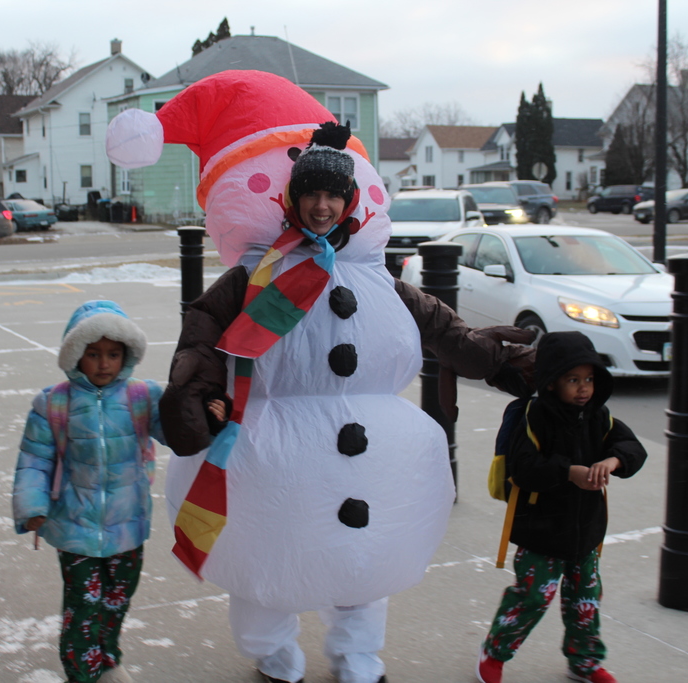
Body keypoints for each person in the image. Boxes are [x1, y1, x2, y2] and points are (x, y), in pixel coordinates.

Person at [106, 70, 535, 683]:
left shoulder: (377, 277)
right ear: (293, 199)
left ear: (351, 200)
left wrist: (498, 361)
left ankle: (358, 656)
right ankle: (273, 654)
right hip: (272, 454)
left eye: (334, 195)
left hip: (374, 460)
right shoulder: (257, 274)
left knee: (364, 566)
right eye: (311, 195)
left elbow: (444, 331)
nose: (323, 206)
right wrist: (192, 395)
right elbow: (203, 334)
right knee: (268, 563)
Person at [11, 300, 225, 683]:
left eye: (113, 354)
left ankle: (107, 659)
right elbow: (35, 459)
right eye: (93, 354)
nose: (104, 364)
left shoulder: (142, 397)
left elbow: (176, 431)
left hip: (127, 524)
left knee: (116, 599)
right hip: (74, 527)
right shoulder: (54, 402)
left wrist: (209, 418)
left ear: (127, 355)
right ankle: (82, 672)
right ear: (76, 354)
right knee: (83, 605)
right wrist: (32, 506)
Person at [476, 331, 647, 683]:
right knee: (532, 596)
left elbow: (632, 447)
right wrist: (569, 472)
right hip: (541, 529)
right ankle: (494, 652)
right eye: (573, 380)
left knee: (586, 600)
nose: (584, 388)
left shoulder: (598, 415)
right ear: (552, 381)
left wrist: (613, 460)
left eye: (589, 379)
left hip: (585, 530)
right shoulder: (535, 416)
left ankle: (584, 662)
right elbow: (523, 468)